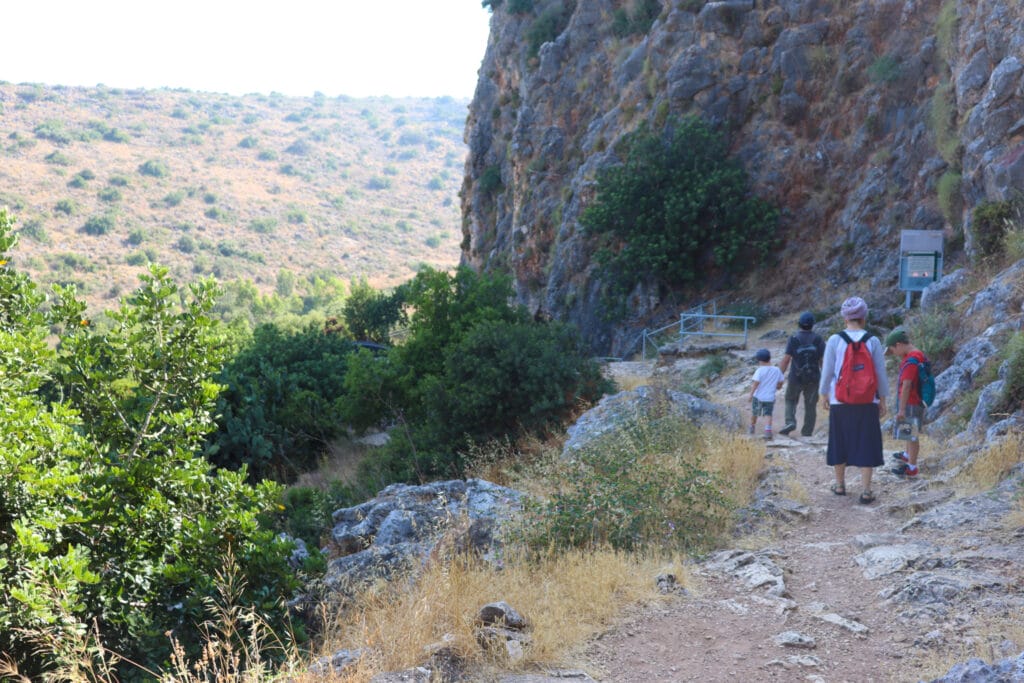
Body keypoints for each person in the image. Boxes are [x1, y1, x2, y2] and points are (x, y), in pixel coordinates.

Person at [819, 297, 889, 504]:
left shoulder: (834, 340)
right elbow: (880, 373)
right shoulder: (873, 341)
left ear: (845, 318)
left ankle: (840, 485)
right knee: (867, 442)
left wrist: (824, 394)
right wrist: (882, 399)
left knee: (839, 440)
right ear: (864, 317)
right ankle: (866, 490)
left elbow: (828, 370)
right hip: (868, 401)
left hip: (840, 401)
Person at [885, 328, 927, 478]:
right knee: (908, 433)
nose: (894, 354)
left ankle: (912, 468)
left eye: (892, 350)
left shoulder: (911, 360)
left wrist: (901, 409)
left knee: (911, 435)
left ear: (898, 345)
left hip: (911, 403)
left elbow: (907, 385)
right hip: (914, 401)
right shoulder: (917, 355)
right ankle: (907, 456)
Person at [777, 312, 826, 437]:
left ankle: (790, 422)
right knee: (810, 405)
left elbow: (786, 359)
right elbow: (822, 361)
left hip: (795, 377)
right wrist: (826, 378)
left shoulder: (793, 339)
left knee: (790, 399)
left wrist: (779, 376)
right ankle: (807, 432)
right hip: (814, 378)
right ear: (812, 325)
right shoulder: (818, 339)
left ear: (799, 324)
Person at [750, 348, 785, 440]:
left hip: (758, 396)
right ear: (770, 358)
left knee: (755, 413)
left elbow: (755, 384)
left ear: (759, 361)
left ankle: (752, 427)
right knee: (768, 414)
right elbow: (781, 381)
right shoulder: (777, 370)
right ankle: (768, 432)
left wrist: (750, 395)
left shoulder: (759, 371)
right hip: (770, 397)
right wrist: (779, 386)